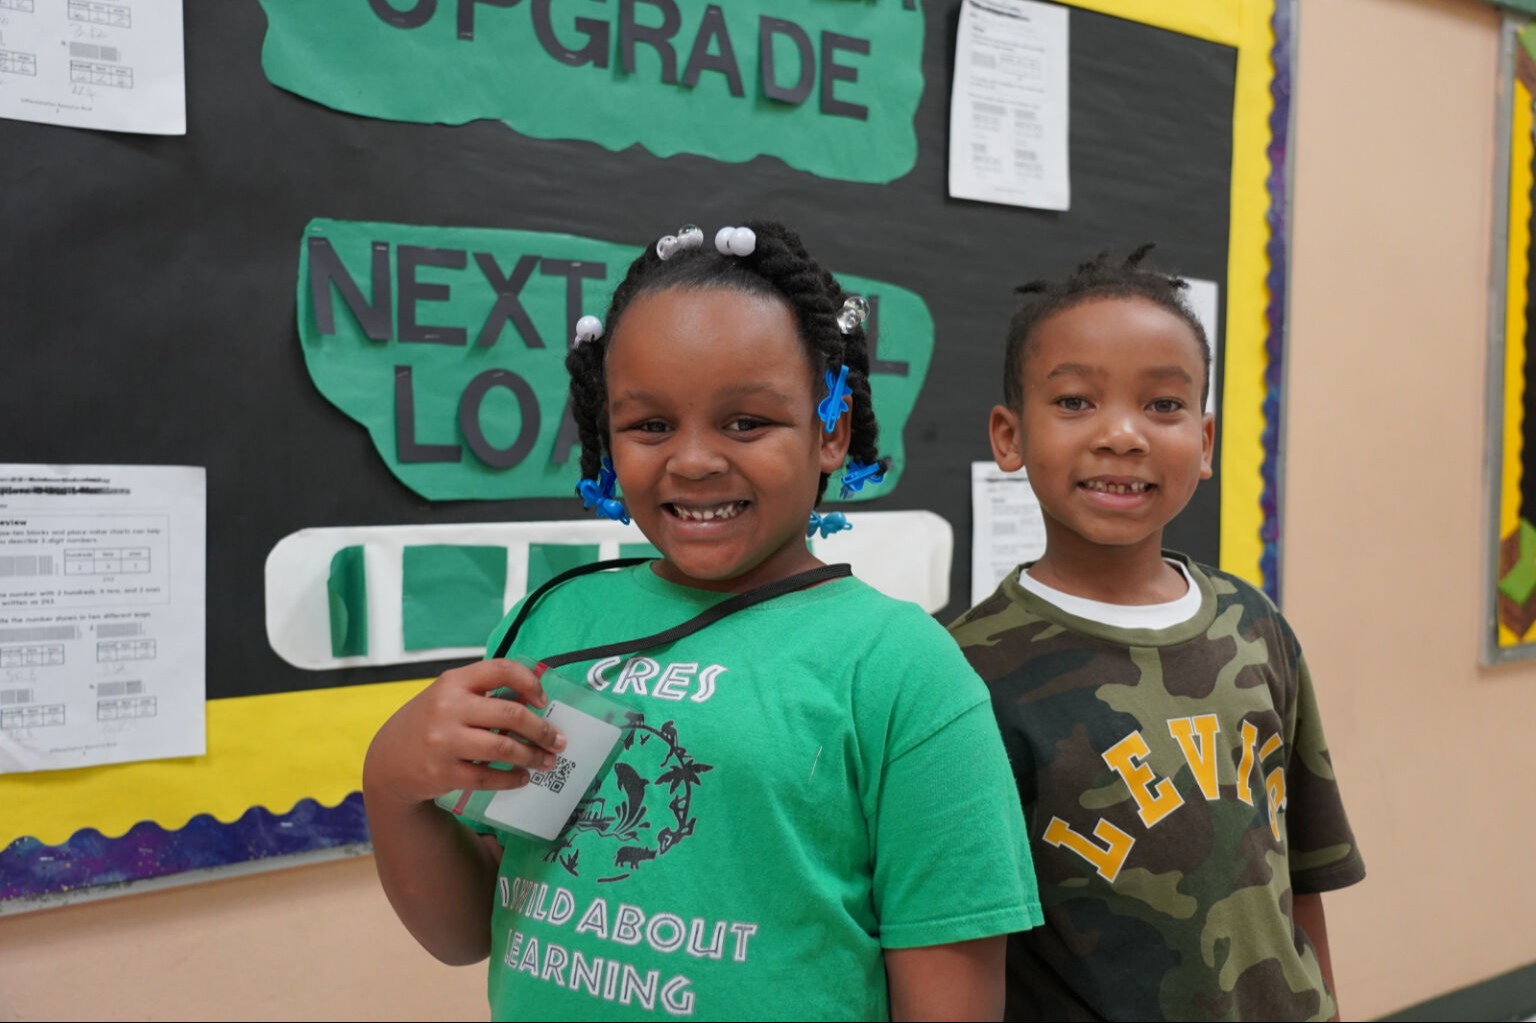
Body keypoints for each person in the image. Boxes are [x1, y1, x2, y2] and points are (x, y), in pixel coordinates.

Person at [364, 220, 1042, 1021]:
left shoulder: (902, 671)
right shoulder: (552, 621)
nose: (691, 460)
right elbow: (464, 930)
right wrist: (392, 778)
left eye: (746, 421)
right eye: (650, 425)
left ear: (831, 430)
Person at [948, 247, 1365, 1022]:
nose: (1123, 435)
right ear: (1009, 436)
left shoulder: (1256, 625)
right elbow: (961, 948)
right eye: (1075, 402)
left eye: (1164, 406)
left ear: (1205, 442)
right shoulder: (961, 672)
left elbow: (1298, 876)